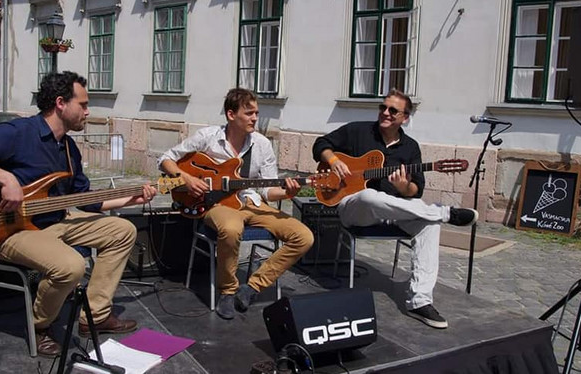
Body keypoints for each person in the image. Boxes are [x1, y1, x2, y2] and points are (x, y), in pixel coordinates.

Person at [0, 71, 157, 357]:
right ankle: (39, 324)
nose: (87, 111)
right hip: (11, 230)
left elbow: (85, 200)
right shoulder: (18, 133)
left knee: (123, 231)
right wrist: (5, 179)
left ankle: (94, 315)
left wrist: (132, 197)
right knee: (71, 266)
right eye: (83, 104)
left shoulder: (68, 149)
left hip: (57, 220)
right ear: (60, 103)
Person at [312, 88, 478, 329]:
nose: (385, 113)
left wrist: (403, 187)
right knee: (369, 195)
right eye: (383, 107)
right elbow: (321, 144)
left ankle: (420, 301)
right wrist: (334, 160)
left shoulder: (410, 148)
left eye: (393, 110)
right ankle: (444, 213)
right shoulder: (358, 130)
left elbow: (416, 191)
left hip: (394, 212)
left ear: (405, 117)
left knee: (428, 224)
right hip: (353, 208)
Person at [158, 88, 314, 320]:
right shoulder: (208, 137)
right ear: (231, 115)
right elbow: (165, 159)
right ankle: (228, 291)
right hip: (217, 205)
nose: (254, 118)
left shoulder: (262, 144)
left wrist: (289, 192)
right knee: (231, 229)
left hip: (252, 202)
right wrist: (187, 179)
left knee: (304, 236)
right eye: (249, 113)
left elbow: (266, 190)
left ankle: (251, 287)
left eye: (256, 113)